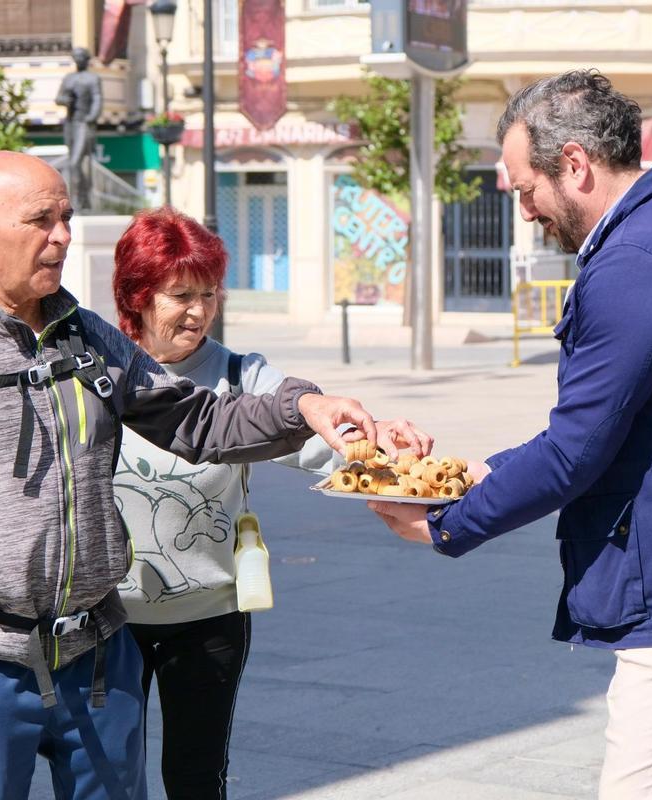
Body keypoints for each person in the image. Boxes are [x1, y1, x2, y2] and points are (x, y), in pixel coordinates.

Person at [0, 151, 379, 799]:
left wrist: (303, 405)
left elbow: (199, 421)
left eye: (66, 217)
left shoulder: (89, 340)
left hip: (98, 662)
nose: (62, 235)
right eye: (40, 220)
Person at [370, 71, 652, 800]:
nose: (525, 213)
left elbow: (576, 451)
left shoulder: (633, 263)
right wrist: (483, 472)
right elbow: (613, 426)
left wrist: (447, 524)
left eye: (525, 191)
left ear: (575, 163)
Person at [111, 207, 433, 798]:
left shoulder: (239, 373)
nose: (199, 311)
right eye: (180, 294)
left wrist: (381, 441)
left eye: (209, 294)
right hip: (107, 622)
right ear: (137, 296)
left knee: (195, 776)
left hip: (207, 618)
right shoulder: (101, 371)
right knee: (108, 774)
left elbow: (315, 429)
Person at [55, 47, 102, 211]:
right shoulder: (69, 78)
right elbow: (58, 98)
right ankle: (81, 199)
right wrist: (65, 99)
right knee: (72, 162)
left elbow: (97, 99)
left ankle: (79, 198)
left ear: (87, 59)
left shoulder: (93, 78)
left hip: (83, 123)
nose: (79, 60)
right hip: (70, 123)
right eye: (76, 57)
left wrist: (92, 117)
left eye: (81, 57)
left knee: (75, 163)